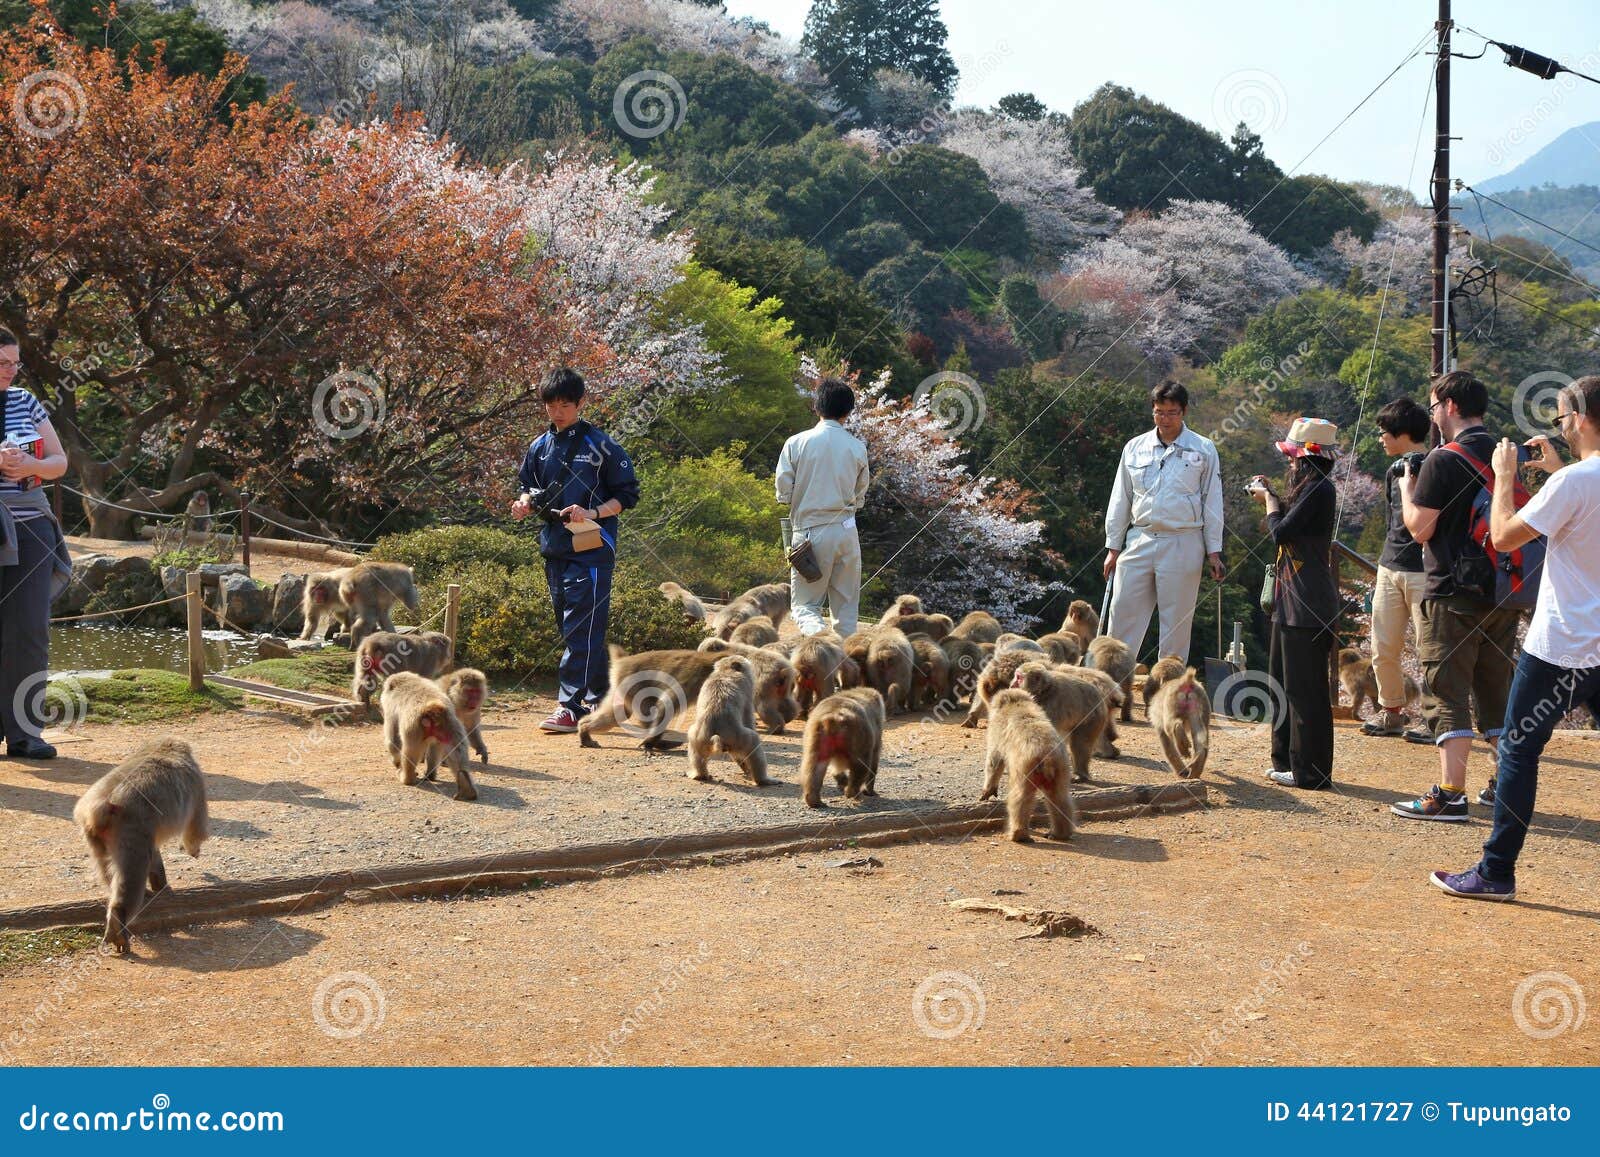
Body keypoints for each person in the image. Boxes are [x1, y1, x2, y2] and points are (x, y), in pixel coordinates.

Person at [1432, 375, 1600, 900]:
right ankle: (1494, 868)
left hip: (1561, 645)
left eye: (1561, 418)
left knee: (1519, 752)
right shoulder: (1572, 480)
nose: (1562, 429)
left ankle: (1496, 870)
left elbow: (1503, 536)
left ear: (1581, 417)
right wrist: (1555, 473)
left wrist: (1504, 477)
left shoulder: (1573, 484)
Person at [1391, 370, 1518, 821]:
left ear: (1449, 405)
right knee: (1494, 692)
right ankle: (1506, 785)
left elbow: (1421, 528)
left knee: (1446, 690)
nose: (1432, 416)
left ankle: (1450, 794)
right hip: (1503, 592)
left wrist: (1409, 490)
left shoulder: (1443, 460)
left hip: (1453, 592)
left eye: (1432, 407)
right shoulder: (1505, 453)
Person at [510, 368, 639, 734]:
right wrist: (523, 504)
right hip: (554, 547)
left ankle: (570, 706)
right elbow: (529, 488)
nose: (558, 412)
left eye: (565, 404)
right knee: (574, 630)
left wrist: (592, 512)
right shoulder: (539, 447)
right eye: (551, 405)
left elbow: (627, 497)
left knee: (580, 627)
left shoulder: (603, 445)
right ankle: (604, 698)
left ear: (581, 403)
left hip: (593, 549)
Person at [1103, 381, 1225, 665]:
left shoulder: (1203, 448)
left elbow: (1212, 501)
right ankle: (1110, 682)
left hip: (1184, 540)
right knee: (1122, 613)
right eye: (1159, 412)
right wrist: (1113, 546)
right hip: (1140, 537)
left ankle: (1168, 691)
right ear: (1152, 411)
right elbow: (1121, 497)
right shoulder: (1135, 447)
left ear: (1183, 412)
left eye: (1171, 413)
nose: (1165, 419)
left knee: (1176, 621)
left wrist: (1214, 551)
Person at [1249, 418, 1340, 790]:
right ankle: (1286, 760)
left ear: (1305, 459)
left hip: (1308, 604)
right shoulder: (1311, 489)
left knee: (1306, 692)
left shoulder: (1319, 489)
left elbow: (1281, 531)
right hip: (1292, 601)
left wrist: (1269, 502)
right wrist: (1271, 495)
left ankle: (1310, 772)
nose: (1289, 463)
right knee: (1282, 684)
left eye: (1292, 457)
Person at [1, 326, 73, 760]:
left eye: (14, 362)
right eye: (2, 363)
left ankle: (26, 733)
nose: (11, 370)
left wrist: (30, 462)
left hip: (29, 525)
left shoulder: (26, 400)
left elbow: (60, 463)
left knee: (29, 630)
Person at [775, 377, 870, 637]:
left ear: (817, 407)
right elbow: (860, 496)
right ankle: (844, 669)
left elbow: (783, 492)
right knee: (847, 610)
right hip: (846, 531)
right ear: (848, 412)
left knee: (805, 606)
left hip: (808, 534)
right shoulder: (857, 448)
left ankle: (820, 644)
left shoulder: (796, 443)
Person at [1363, 397, 1431, 737]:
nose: (1381, 438)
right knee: (1383, 646)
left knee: (1426, 649)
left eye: (1384, 432)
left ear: (1402, 433)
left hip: (1422, 570)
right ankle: (1391, 711)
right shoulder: (1395, 469)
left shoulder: (1429, 465)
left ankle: (1434, 719)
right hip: (1389, 565)